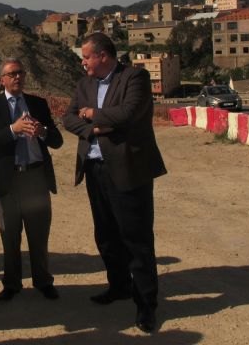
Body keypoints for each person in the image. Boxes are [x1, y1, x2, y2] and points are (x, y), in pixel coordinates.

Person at [62, 32, 167, 334]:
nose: (83, 63)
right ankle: (118, 285)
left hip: (128, 168)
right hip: (95, 168)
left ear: (103, 56)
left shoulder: (135, 77)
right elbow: (69, 117)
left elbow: (129, 113)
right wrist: (94, 129)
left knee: (136, 239)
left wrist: (94, 113)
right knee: (106, 235)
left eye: (86, 57)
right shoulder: (84, 84)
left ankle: (146, 305)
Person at [0, 58, 63, 301]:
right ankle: (12, 284)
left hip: (35, 176)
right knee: (10, 236)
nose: (18, 77)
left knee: (39, 235)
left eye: (21, 73)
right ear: (1, 80)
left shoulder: (37, 104)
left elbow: (57, 141)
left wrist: (43, 132)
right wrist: (13, 130)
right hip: (7, 180)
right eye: (12, 74)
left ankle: (43, 281)